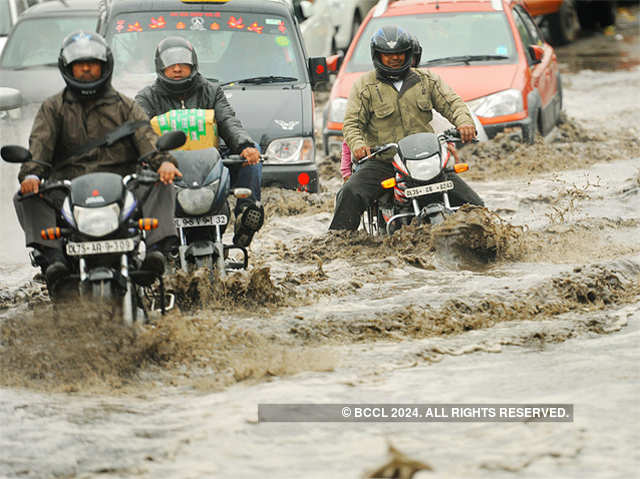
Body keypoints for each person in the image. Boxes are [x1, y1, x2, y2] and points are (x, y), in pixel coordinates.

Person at [14, 31, 181, 287]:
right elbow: (39, 146)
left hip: (123, 185)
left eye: (92, 65)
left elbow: (146, 138)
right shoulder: (53, 108)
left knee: (162, 183)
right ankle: (53, 257)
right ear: (68, 68)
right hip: (68, 188)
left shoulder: (125, 105)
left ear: (105, 67)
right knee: (25, 196)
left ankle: (157, 250)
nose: (87, 71)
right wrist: (32, 175)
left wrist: (165, 163)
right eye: (80, 66)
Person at [329, 25, 483, 231]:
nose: (395, 58)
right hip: (384, 161)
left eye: (400, 54)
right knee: (350, 193)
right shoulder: (364, 86)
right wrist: (358, 145)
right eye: (388, 55)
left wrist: (464, 123)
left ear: (408, 54)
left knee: (476, 207)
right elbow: (352, 123)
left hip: (428, 160)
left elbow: (453, 103)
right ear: (378, 56)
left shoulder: (427, 80)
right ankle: (338, 246)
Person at [135, 36, 264, 248]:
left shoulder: (212, 90)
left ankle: (244, 214)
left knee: (253, 150)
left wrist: (244, 145)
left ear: (193, 64)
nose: (177, 68)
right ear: (160, 66)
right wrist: (156, 160)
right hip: (168, 167)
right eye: (170, 63)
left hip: (210, 162)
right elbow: (140, 132)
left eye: (182, 62)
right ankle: (153, 245)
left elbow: (227, 120)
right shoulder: (147, 97)